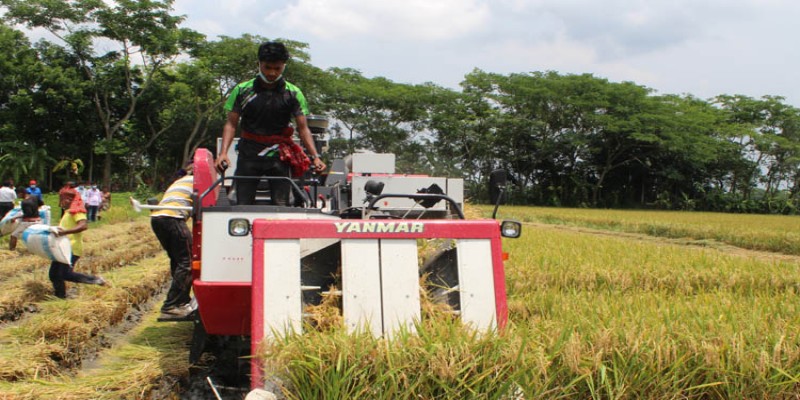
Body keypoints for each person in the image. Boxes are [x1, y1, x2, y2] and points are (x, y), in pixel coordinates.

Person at [214, 41, 326, 206]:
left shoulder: (293, 93)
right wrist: (222, 153)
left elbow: (303, 129)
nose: (272, 73)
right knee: (242, 203)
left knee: (282, 204)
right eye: (267, 67)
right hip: (249, 154)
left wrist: (315, 157)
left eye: (277, 68)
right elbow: (231, 124)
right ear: (259, 64)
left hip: (279, 156)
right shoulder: (242, 90)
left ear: (284, 66)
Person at [150, 165, 195, 319]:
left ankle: (181, 301)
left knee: (177, 261)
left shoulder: (180, 181)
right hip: (173, 218)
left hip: (158, 218)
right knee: (188, 261)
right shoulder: (198, 180)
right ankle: (172, 305)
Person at [49, 188, 106, 299]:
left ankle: (95, 280)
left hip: (71, 248)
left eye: (62, 199)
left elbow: (83, 225)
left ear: (69, 199)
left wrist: (65, 232)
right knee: (54, 275)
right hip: (61, 247)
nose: (60, 202)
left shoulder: (77, 210)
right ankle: (60, 297)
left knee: (65, 274)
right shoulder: (68, 211)